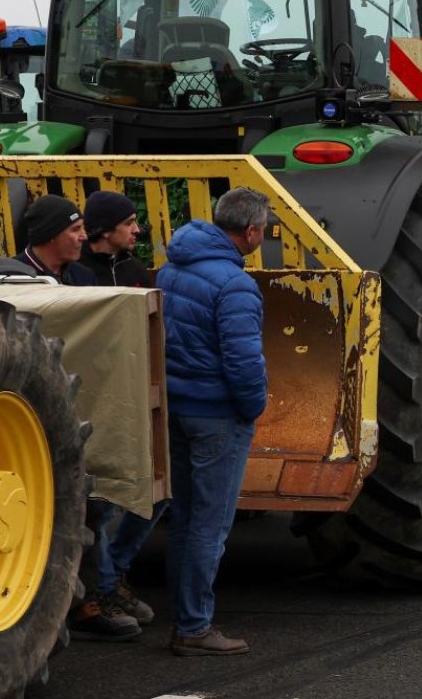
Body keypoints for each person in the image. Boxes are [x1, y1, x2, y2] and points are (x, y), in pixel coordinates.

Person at [16, 195, 143, 641]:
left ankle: (89, 596)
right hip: (33, 411)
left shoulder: (84, 277)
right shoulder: (14, 280)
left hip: (83, 403)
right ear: (51, 236)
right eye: (74, 231)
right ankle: (70, 600)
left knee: (95, 503)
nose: (83, 237)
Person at [157, 187, 270, 656]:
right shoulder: (236, 284)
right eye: (264, 230)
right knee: (211, 524)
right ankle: (194, 626)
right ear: (250, 231)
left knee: (183, 518)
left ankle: (182, 613)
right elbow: (243, 361)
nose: (264, 236)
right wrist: (254, 406)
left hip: (176, 408)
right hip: (217, 415)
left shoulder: (171, 269)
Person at [77, 189, 165, 631]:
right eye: (129, 223)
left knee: (158, 491)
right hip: (96, 400)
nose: (137, 229)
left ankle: (115, 577)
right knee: (103, 502)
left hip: (135, 395)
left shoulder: (133, 271)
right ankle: (103, 591)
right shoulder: (78, 276)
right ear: (104, 230)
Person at [16, 194, 95, 286]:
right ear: (50, 234)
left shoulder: (84, 276)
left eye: (83, 228)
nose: (84, 237)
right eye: (76, 229)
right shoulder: (11, 278)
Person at [79, 190, 150, 287]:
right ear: (106, 230)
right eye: (128, 223)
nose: (136, 230)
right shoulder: (73, 272)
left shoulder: (136, 269)